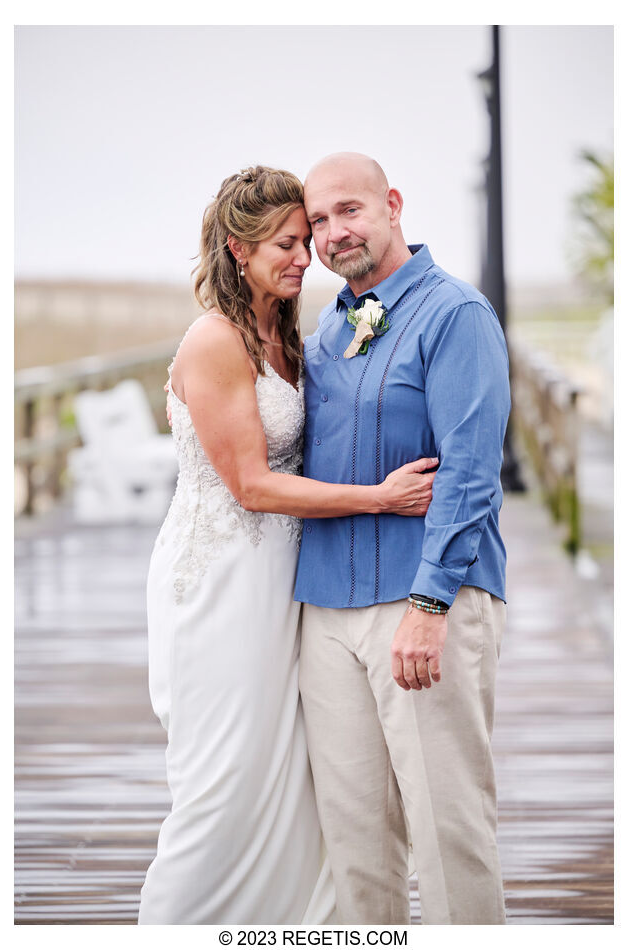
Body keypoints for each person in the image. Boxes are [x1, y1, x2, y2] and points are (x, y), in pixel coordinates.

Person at [137, 165, 438, 925]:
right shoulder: (214, 340)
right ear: (238, 248)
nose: (303, 257)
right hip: (221, 585)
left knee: (295, 784)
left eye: (305, 242)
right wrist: (379, 499)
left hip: (285, 585)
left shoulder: (289, 337)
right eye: (285, 244)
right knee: (225, 781)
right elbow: (252, 485)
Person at [296, 152, 511, 925]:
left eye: (348, 211)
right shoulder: (329, 325)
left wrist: (429, 603)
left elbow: (471, 471)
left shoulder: (456, 314)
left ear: (391, 204)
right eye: (317, 221)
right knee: (356, 842)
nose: (332, 233)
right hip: (324, 610)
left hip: (424, 602)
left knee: (447, 829)